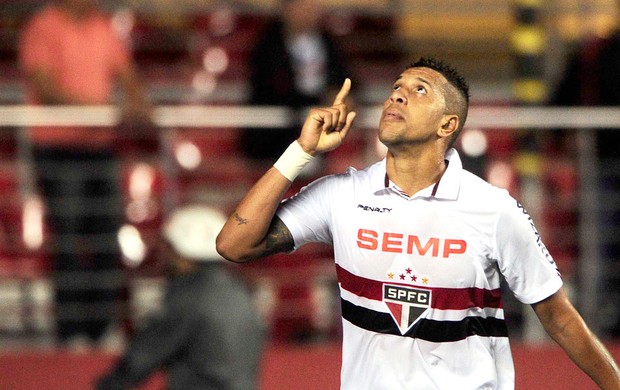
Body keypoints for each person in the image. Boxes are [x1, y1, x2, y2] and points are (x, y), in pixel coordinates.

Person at [216, 57, 620, 389]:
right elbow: (234, 245)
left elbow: (558, 315)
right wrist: (299, 152)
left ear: (448, 125)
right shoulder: (342, 194)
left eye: (418, 90)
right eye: (397, 86)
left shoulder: (494, 209)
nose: (398, 94)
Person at [18, 0, 153, 346]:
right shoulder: (43, 26)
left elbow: (126, 74)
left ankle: (101, 328)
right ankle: (72, 332)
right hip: (57, 148)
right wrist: (101, 110)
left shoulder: (102, 27)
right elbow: (45, 88)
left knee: (107, 236)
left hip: (99, 148)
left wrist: (137, 104)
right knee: (69, 239)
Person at [96, 204, 265, 390]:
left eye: (170, 248)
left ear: (183, 255)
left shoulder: (189, 298)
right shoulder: (239, 293)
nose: (165, 255)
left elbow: (140, 359)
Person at [550, 21, 620, 338]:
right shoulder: (598, 51)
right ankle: (604, 320)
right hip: (605, 166)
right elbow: (558, 105)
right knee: (602, 247)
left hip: (603, 166)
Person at [240, 0, 352, 165]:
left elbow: (346, 78)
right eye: (304, 6)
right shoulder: (268, 43)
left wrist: (342, 95)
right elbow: (271, 87)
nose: (311, 12)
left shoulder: (327, 41)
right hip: (277, 135)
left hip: (321, 126)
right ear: (287, 8)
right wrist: (318, 103)